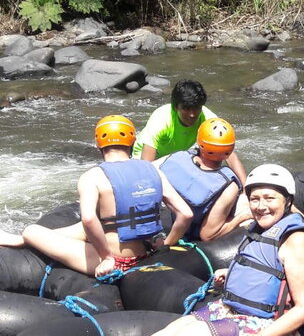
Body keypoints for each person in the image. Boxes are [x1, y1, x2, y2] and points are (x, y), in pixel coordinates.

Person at [124, 164, 304, 336]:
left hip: (269, 327)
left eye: (270, 198)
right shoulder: (260, 230)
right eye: (254, 199)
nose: (261, 206)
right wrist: (231, 273)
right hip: (235, 311)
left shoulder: (298, 241)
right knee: (177, 327)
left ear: (287, 201)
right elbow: (267, 269)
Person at [0, 114, 193, 278]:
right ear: (133, 141)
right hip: (147, 250)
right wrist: (166, 244)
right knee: (89, 228)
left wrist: (106, 257)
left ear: (97, 144)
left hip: (118, 261)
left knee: (32, 231)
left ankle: (23, 239)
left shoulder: (92, 176)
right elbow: (185, 214)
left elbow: (89, 218)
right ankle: (21, 239)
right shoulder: (153, 170)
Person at [132, 78, 247, 186]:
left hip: (173, 158)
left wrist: (246, 189)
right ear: (176, 107)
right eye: (186, 108)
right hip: (143, 160)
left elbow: (228, 154)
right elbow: (147, 165)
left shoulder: (208, 119)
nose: (192, 114)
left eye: (196, 108)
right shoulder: (162, 119)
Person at [155, 118, 250, 242]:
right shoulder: (229, 186)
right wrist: (242, 216)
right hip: (186, 237)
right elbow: (208, 235)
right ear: (230, 149)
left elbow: (146, 169)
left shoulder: (178, 156)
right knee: (246, 210)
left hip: (160, 222)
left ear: (199, 142)